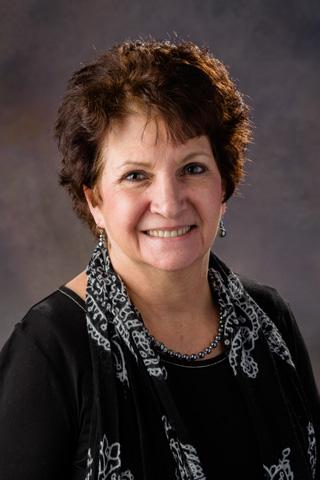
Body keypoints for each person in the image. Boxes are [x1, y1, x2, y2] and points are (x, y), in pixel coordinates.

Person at [0, 39, 319, 480]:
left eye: (192, 168)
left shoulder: (271, 321)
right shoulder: (51, 348)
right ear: (95, 200)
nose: (169, 204)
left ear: (223, 185)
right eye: (135, 175)